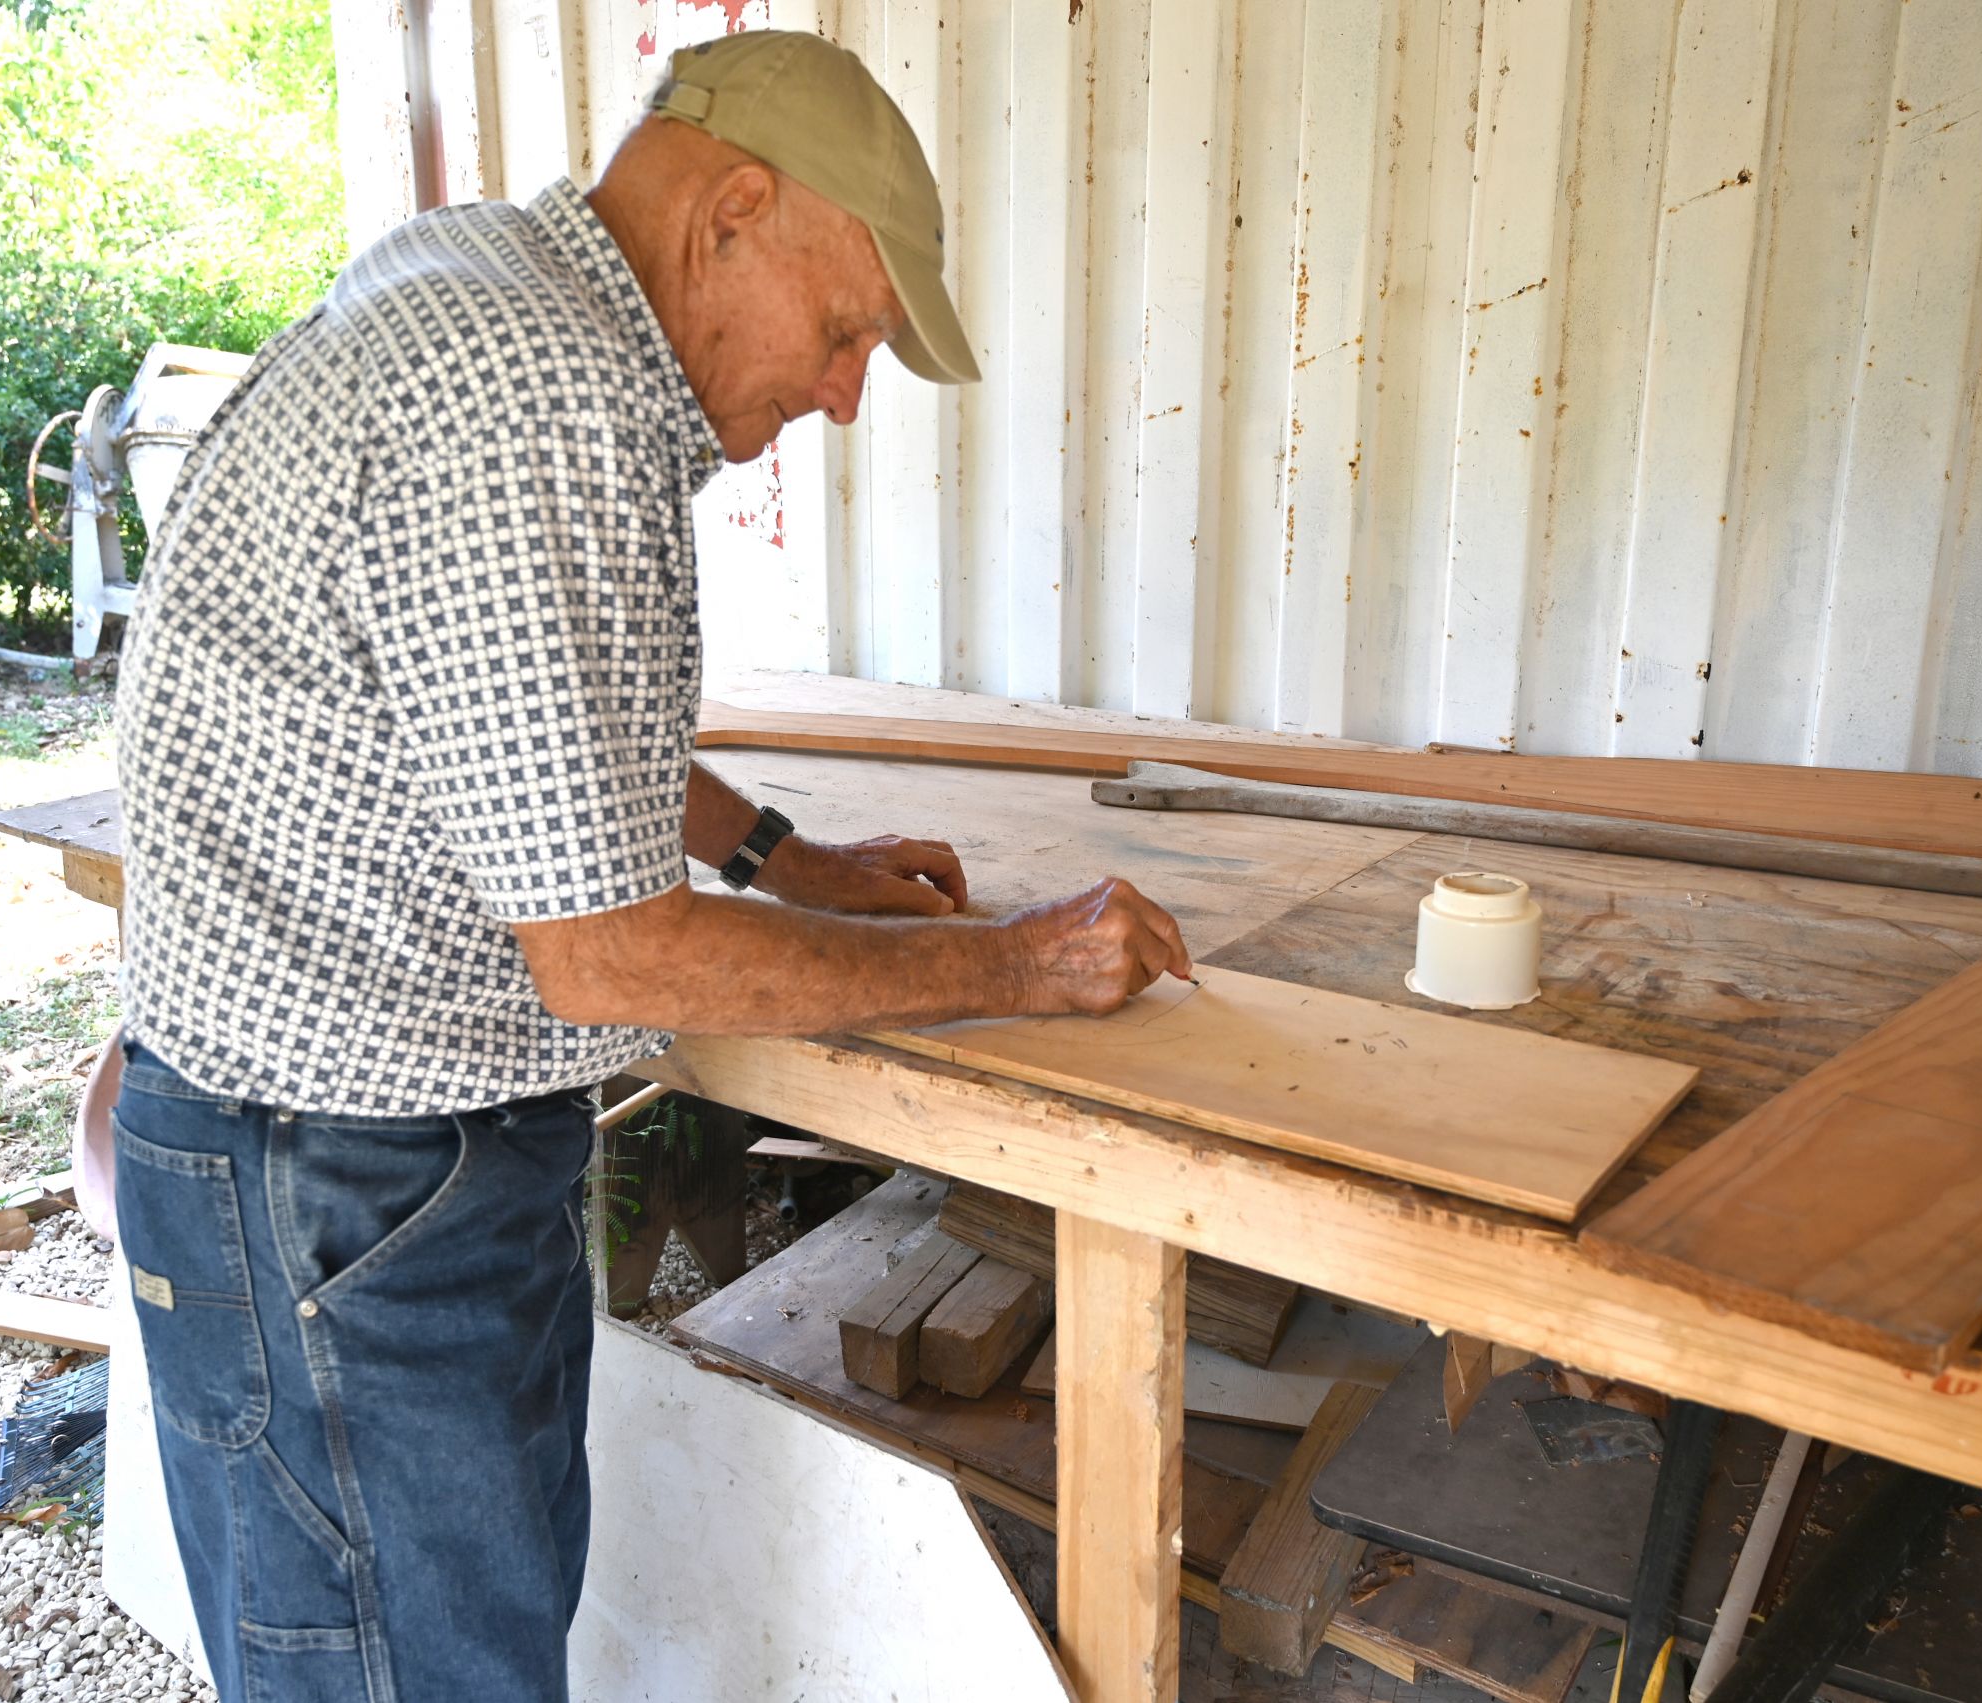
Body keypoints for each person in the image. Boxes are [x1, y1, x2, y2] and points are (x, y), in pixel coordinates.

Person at [108, 29, 1190, 1701]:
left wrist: (780, 854)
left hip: (340, 1175)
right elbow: (611, 954)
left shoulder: (495, 286)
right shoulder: (532, 390)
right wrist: (1016, 964)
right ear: (732, 212)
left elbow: (518, 721)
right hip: (342, 1194)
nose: (845, 393)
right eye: (847, 331)